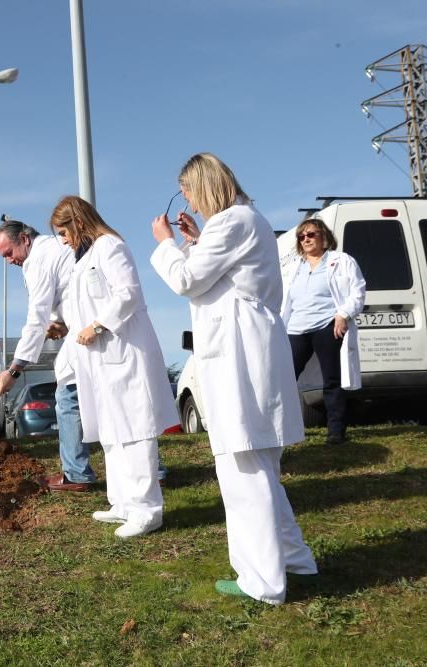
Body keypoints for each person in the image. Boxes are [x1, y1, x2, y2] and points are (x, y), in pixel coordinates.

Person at [149, 152, 317, 604]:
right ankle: (294, 558)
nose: (187, 200)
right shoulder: (243, 221)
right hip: (250, 346)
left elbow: (187, 280)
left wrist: (166, 243)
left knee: (243, 467)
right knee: (258, 463)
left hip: (240, 353)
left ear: (202, 187)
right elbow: (218, 275)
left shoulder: (233, 222)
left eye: (187, 191)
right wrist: (196, 241)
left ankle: (262, 582)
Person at [50, 195, 178, 539]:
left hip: (123, 351)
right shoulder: (83, 259)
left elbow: (129, 293)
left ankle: (147, 509)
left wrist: (98, 325)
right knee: (111, 432)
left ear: (77, 222)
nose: (62, 240)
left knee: (133, 431)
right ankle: (122, 502)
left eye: (63, 232)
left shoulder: (110, 246)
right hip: (99, 359)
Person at [0, 215, 96, 492]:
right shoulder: (49, 252)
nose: (8, 260)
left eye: (9, 253)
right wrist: (62, 323)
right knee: (106, 397)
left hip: (92, 330)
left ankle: (76, 474)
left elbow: (36, 316)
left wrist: (15, 370)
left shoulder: (39, 259)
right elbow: (65, 294)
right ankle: (152, 470)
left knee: (68, 397)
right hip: (87, 326)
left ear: (24, 239)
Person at [281, 218, 366, 445]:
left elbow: (357, 291)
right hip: (295, 328)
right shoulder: (292, 268)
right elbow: (283, 300)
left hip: (327, 325)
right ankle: (284, 429)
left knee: (332, 379)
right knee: (284, 378)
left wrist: (343, 314)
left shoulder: (341, 261)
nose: (306, 239)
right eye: (302, 236)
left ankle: (336, 432)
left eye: (311, 234)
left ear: (324, 236)